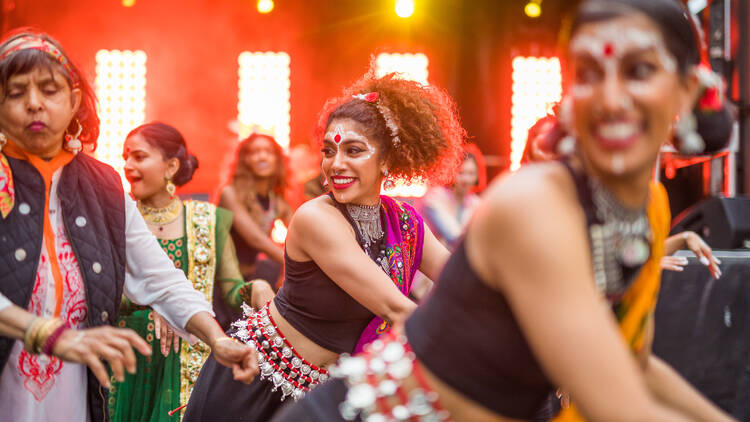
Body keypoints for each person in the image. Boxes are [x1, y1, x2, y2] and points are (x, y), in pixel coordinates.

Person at [272, 1, 736, 421]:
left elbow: (630, 363)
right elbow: (614, 403)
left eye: (638, 70)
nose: (610, 98)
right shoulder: (530, 203)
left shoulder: (649, 209)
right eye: (589, 73)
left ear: (690, 90)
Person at [0, 30, 257, 421]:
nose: (34, 103)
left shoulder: (103, 186)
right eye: (16, 93)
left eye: (49, 90)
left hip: (75, 391)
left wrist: (217, 339)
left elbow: (160, 279)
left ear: (73, 101)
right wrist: (51, 336)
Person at [183, 72, 464, 421]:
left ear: (387, 160)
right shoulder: (316, 219)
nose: (336, 164)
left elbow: (463, 282)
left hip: (324, 397)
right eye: (329, 151)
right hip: (254, 385)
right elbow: (398, 310)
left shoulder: (405, 222)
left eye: (354, 150)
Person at [108, 122, 275, 421]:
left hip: (187, 359)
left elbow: (231, 290)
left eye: (139, 157)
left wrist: (257, 286)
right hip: (126, 364)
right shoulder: (116, 218)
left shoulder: (208, 220)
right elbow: (102, 290)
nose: (128, 166)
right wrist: (155, 304)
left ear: (171, 166)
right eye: (126, 157)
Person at [214, 132, 292, 328]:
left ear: (277, 160)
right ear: (245, 159)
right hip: (219, 284)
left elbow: (303, 236)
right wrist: (291, 261)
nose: (262, 157)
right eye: (255, 152)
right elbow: (255, 239)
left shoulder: (277, 201)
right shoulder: (230, 193)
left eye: (268, 152)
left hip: (249, 282)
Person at [419, 143, 486, 249]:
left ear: (477, 175)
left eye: (471, 173)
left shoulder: (477, 204)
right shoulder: (434, 198)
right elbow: (454, 238)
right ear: (451, 173)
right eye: (461, 173)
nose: (466, 179)